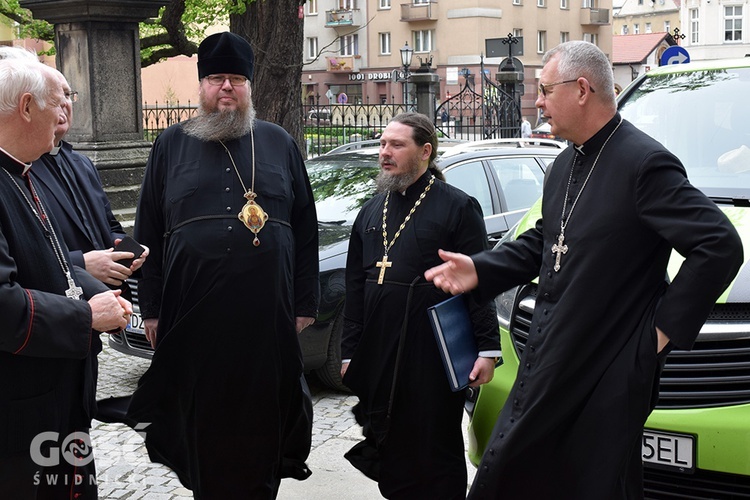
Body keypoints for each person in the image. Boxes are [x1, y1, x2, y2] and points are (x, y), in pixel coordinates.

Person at [424, 41, 744, 499]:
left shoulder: (643, 163)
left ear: (581, 89)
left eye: (545, 90)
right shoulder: (563, 165)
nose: (537, 101)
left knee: (588, 481)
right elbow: (544, 241)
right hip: (552, 357)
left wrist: (654, 337)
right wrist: (479, 268)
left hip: (606, 369)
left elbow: (719, 246)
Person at [126, 32, 319, 498]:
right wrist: (151, 309)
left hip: (265, 320)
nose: (226, 87)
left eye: (236, 78)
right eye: (216, 78)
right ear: (202, 86)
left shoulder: (278, 143)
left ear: (249, 86)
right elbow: (147, 233)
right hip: (195, 319)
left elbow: (305, 227)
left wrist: (304, 304)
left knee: (262, 417)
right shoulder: (170, 144)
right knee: (202, 420)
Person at [341, 112, 500, 499]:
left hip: (431, 352)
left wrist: (487, 349)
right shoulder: (369, 211)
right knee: (388, 441)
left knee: (433, 446)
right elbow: (355, 287)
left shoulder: (457, 207)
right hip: (380, 349)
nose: (384, 153)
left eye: (396, 145)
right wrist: (348, 351)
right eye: (382, 144)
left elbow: (478, 283)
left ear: (425, 151)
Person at [0, 57, 131, 496]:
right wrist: (85, 316)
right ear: (25, 107)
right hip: (18, 416)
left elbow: (52, 264)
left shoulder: (21, 173)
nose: (63, 115)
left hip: (53, 401)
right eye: (55, 103)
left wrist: (101, 294)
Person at [30, 70, 149, 291]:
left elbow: (108, 225)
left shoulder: (81, 163)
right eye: (54, 98)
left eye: (67, 95)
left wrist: (126, 250)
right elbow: (27, 253)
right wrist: (82, 263)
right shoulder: (21, 168)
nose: (64, 104)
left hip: (111, 300)